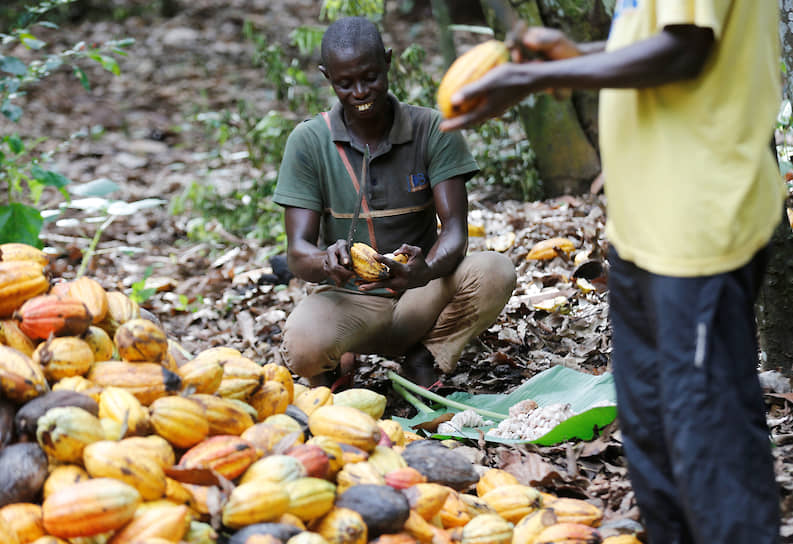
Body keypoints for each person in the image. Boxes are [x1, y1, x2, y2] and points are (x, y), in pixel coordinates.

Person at [440, 2, 782, 543]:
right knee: (653, 440)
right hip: (643, 232)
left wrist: (533, 76)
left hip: (698, 234)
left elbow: (685, 50)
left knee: (707, 441)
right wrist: (580, 56)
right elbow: (658, 44)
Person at [273, 16, 516, 389]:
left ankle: (427, 353)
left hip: (420, 291)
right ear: (327, 77)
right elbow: (297, 252)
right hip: (349, 299)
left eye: (370, 77)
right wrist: (326, 261)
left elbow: (454, 231)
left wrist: (426, 268)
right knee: (302, 347)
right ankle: (335, 364)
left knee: (495, 271)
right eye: (345, 83)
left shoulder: (432, 129)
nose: (360, 92)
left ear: (388, 61)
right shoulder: (309, 142)